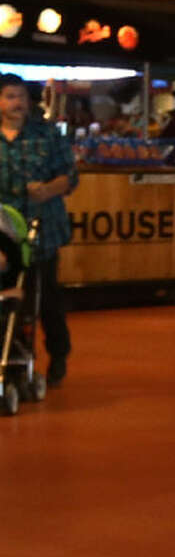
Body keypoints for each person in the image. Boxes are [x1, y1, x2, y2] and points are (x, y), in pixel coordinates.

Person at [0, 73, 78, 386]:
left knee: (45, 298)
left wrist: (47, 190)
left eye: (20, 96)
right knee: (7, 297)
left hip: (41, 227)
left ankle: (58, 354)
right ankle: (13, 355)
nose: (16, 102)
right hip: (3, 231)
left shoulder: (46, 134)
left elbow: (69, 177)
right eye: (9, 96)